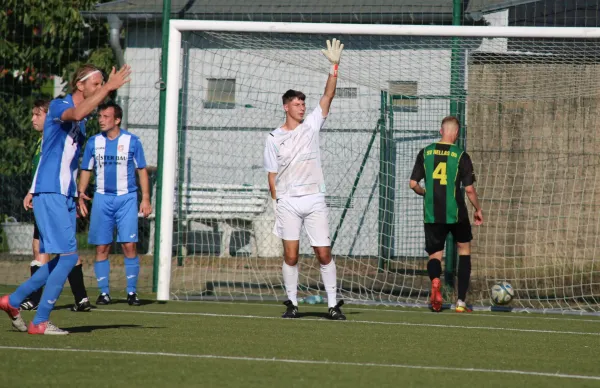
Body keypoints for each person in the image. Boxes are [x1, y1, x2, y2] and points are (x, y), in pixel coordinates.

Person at [0, 64, 131, 335]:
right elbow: (78, 111)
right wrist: (109, 88)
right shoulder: (60, 106)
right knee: (69, 256)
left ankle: (12, 301)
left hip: (64, 193)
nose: (101, 87)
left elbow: (67, 159)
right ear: (79, 85)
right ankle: (39, 321)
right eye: (96, 83)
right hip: (51, 191)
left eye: (102, 83)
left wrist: (78, 191)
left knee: (63, 258)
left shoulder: (82, 121)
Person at [263, 39, 346, 320]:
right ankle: (292, 303)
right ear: (286, 107)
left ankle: (333, 305)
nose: (302, 107)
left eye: (303, 103)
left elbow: (327, 96)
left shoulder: (311, 125)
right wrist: (278, 204)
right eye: (297, 104)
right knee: (291, 255)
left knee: (324, 253)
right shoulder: (274, 138)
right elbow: (271, 176)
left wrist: (333, 67)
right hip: (288, 202)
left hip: (314, 199)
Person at [20, 99, 91, 312]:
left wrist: (75, 194)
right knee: (51, 248)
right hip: (46, 196)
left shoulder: (53, 140)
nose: (33, 119)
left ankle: (34, 299)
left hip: (51, 196)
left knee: (60, 251)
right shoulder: (42, 142)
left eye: (37, 115)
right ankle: (80, 297)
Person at [78, 102, 152, 306]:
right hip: (102, 199)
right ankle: (104, 293)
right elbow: (86, 169)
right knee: (102, 247)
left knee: (129, 245)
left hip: (127, 198)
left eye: (106, 116)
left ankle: (132, 292)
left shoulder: (132, 141)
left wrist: (145, 198)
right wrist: (81, 193)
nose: (101, 120)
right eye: (99, 116)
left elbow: (142, 170)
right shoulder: (93, 143)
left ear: (117, 120)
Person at [409, 116, 483, 313]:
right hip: (456, 212)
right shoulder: (461, 155)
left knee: (435, 255)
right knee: (464, 250)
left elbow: (413, 184)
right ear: (456, 134)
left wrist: (425, 193)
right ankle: (460, 302)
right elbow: (468, 190)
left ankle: (435, 281)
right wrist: (477, 209)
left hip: (432, 212)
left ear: (441, 131)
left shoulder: (425, 152)